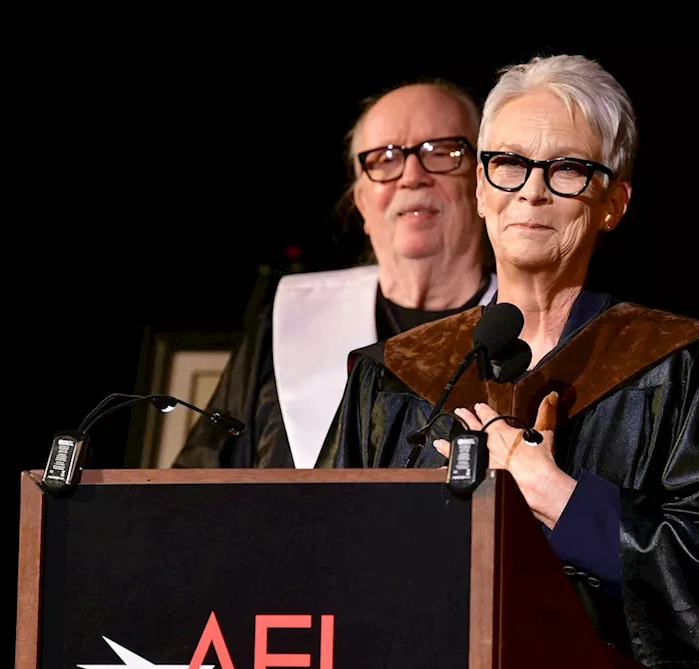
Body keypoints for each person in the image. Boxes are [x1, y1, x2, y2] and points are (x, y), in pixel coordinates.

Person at [316, 55, 699, 669]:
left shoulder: (687, 368)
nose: (531, 192)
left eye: (567, 169)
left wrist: (562, 501)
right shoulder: (392, 376)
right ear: (481, 189)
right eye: (507, 163)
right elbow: (319, 574)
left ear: (613, 204)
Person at [172, 79, 497, 470]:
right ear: (361, 201)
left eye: (443, 151)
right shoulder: (290, 318)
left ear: (482, 183)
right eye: (384, 159)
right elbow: (201, 485)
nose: (412, 176)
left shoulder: (524, 328)